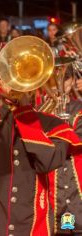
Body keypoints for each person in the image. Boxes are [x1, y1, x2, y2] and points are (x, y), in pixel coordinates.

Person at [0, 79, 82, 235]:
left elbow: (48, 162)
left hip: (35, 226)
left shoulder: (53, 123)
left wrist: (24, 111)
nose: (14, 83)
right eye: (7, 77)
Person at [45, 69, 82, 234]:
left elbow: (76, 140)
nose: (59, 83)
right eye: (52, 79)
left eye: (65, 78)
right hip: (50, 187)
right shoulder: (39, 111)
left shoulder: (80, 108)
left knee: (76, 228)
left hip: (76, 186)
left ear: (73, 80)